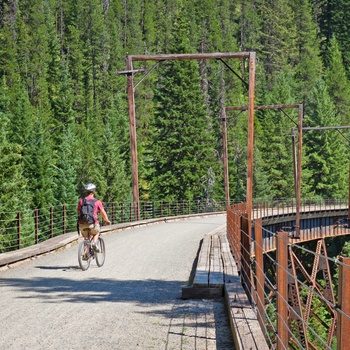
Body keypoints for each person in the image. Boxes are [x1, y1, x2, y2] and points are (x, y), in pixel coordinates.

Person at [77, 183, 111, 252]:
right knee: (97, 232)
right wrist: (107, 221)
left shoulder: (81, 201)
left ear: (86, 191)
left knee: (86, 238)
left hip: (82, 224)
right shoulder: (97, 202)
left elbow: (78, 211)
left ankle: (85, 253)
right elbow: (103, 213)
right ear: (93, 191)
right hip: (93, 224)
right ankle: (95, 244)